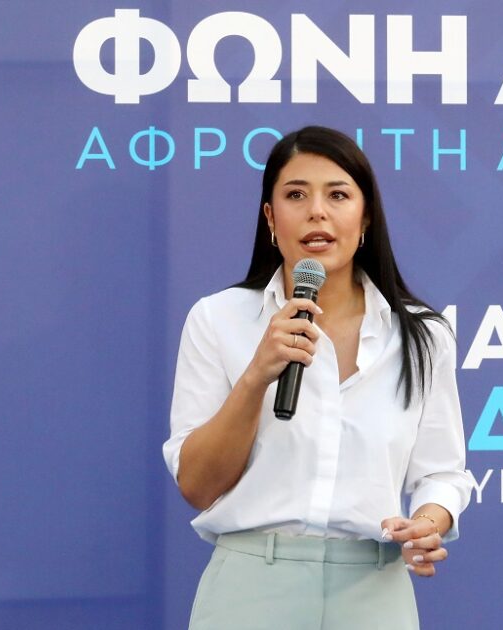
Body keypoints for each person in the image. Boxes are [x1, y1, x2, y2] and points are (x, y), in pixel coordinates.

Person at [162, 125, 473, 629]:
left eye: (338, 195)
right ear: (270, 217)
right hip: (251, 587)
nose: (317, 212)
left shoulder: (422, 334)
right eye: (296, 195)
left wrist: (426, 522)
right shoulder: (218, 320)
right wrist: (256, 375)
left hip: (374, 589)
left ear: (365, 215)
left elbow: (442, 473)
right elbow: (197, 485)